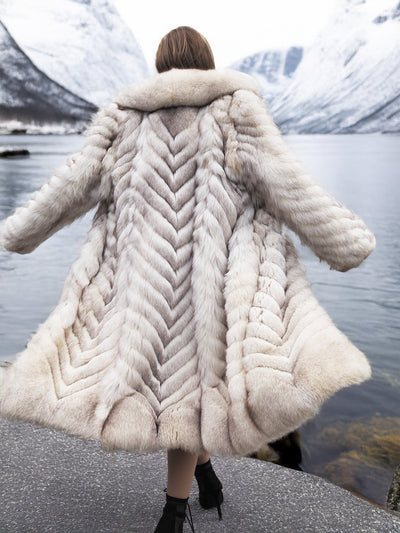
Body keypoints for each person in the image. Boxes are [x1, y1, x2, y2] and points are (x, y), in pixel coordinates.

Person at [0, 26, 376, 533]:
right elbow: (289, 184)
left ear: (160, 65)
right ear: (207, 62)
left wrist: (18, 235)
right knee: (192, 393)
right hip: (215, 285)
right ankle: (174, 515)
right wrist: (345, 243)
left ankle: (205, 478)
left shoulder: (122, 121)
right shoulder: (236, 113)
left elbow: (70, 185)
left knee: (185, 394)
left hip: (141, 291)